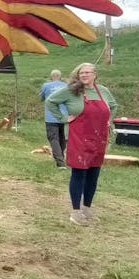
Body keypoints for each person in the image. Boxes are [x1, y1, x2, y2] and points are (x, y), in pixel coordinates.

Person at [46, 63, 117, 226]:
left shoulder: (103, 91)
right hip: (79, 139)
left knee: (94, 174)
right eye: (81, 73)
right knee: (79, 173)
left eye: (87, 72)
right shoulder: (71, 91)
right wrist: (63, 118)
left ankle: (87, 209)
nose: (84, 75)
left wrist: (109, 120)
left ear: (95, 74)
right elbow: (51, 101)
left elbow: (113, 106)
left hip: (99, 139)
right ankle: (76, 212)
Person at [39, 69, 67, 167]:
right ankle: (61, 156)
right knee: (62, 138)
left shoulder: (46, 85)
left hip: (51, 117)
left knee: (53, 138)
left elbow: (41, 98)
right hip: (64, 116)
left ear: (51, 77)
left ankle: (60, 162)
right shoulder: (66, 86)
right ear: (60, 77)